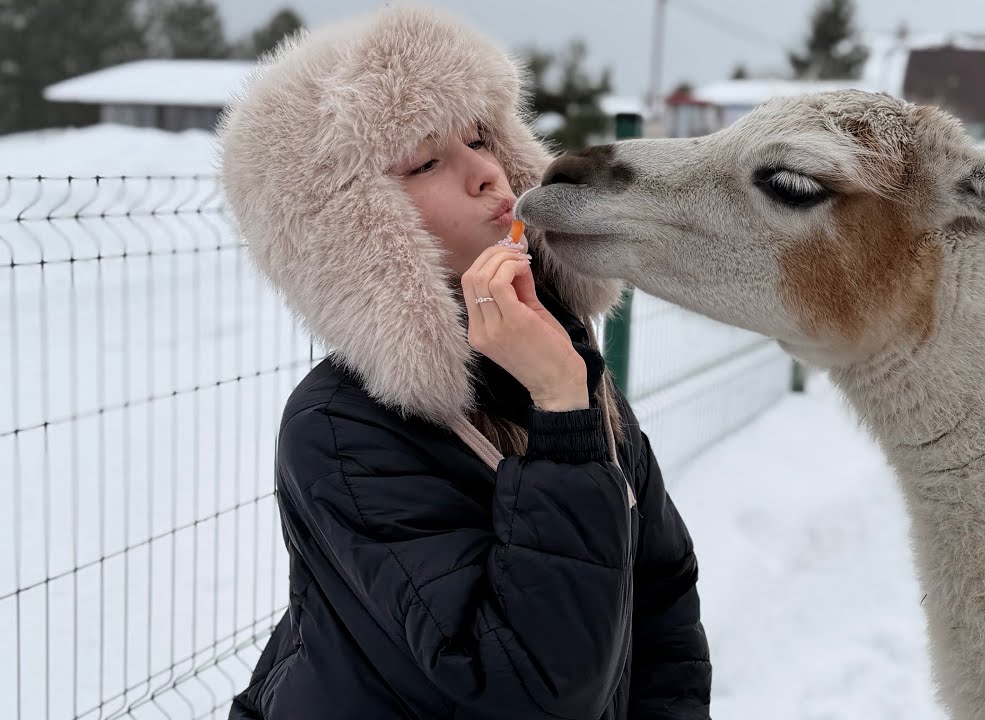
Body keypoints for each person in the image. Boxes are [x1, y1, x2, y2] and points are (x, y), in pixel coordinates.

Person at [217, 6, 711, 719]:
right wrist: (561, 416)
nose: (487, 174)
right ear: (353, 232)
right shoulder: (339, 429)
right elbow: (534, 690)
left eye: (480, 137)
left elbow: (660, 591)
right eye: (424, 162)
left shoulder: (559, 357)